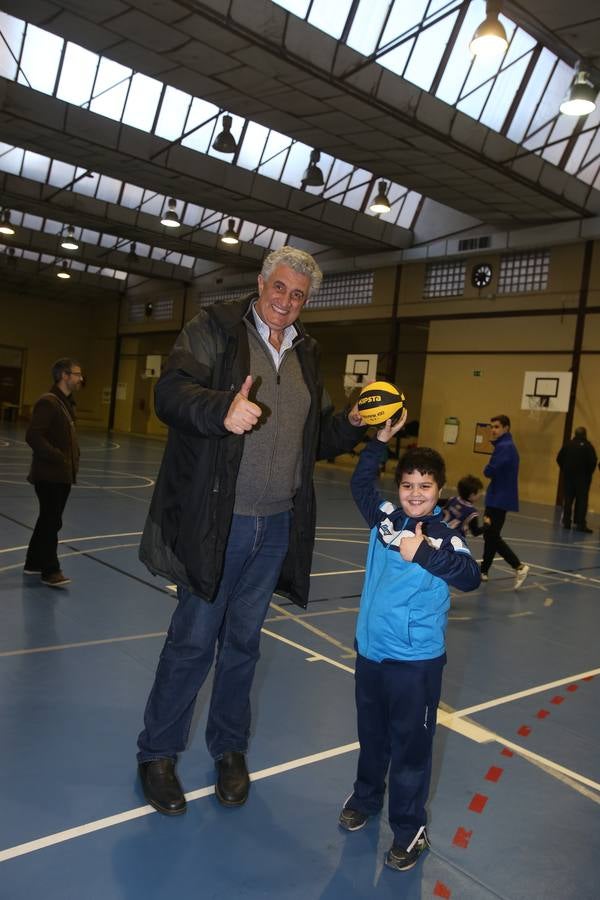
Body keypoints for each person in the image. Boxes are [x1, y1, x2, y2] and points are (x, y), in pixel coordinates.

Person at [137, 246, 367, 816]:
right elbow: (170, 392)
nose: (286, 301)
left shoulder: (307, 353)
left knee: (243, 646)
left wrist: (353, 424)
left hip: (276, 525)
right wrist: (222, 410)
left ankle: (229, 750)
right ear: (262, 283)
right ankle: (158, 754)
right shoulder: (214, 328)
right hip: (220, 522)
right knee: (192, 642)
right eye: (280, 288)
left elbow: (315, 440)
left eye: (298, 295)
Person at [338, 416, 480, 872]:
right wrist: (379, 441)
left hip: (415, 665)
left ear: (439, 490)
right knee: (372, 738)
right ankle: (365, 797)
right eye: (407, 484)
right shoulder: (386, 520)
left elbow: (470, 577)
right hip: (371, 654)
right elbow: (361, 485)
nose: (415, 493)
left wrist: (422, 552)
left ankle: (409, 830)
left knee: (411, 751)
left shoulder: (445, 536)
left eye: (425, 485)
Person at [24, 358, 83, 587]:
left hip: (61, 474)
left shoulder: (65, 403)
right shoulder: (49, 403)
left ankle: (33, 562)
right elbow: (33, 435)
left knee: (47, 520)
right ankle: (50, 570)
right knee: (51, 522)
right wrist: (57, 456)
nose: (81, 378)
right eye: (77, 374)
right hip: (50, 475)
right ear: (64, 376)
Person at [480, 415, 529, 588]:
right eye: (492, 426)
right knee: (490, 535)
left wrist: (487, 468)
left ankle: (519, 566)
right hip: (497, 497)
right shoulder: (504, 446)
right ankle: (484, 570)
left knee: (492, 535)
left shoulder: (505, 447)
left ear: (506, 428)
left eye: (497, 426)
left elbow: (489, 471)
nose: (493, 429)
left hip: (499, 499)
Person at [556, 426, 597, 533]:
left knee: (568, 499)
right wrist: (588, 473)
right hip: (583, 479)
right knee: (581, 501)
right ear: (585, 434)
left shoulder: (568, 444)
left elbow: (559, 458)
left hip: (568, 477)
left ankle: (566, 522)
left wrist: (564, 469)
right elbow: (593, 462)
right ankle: (580, 524)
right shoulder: (588, 446)